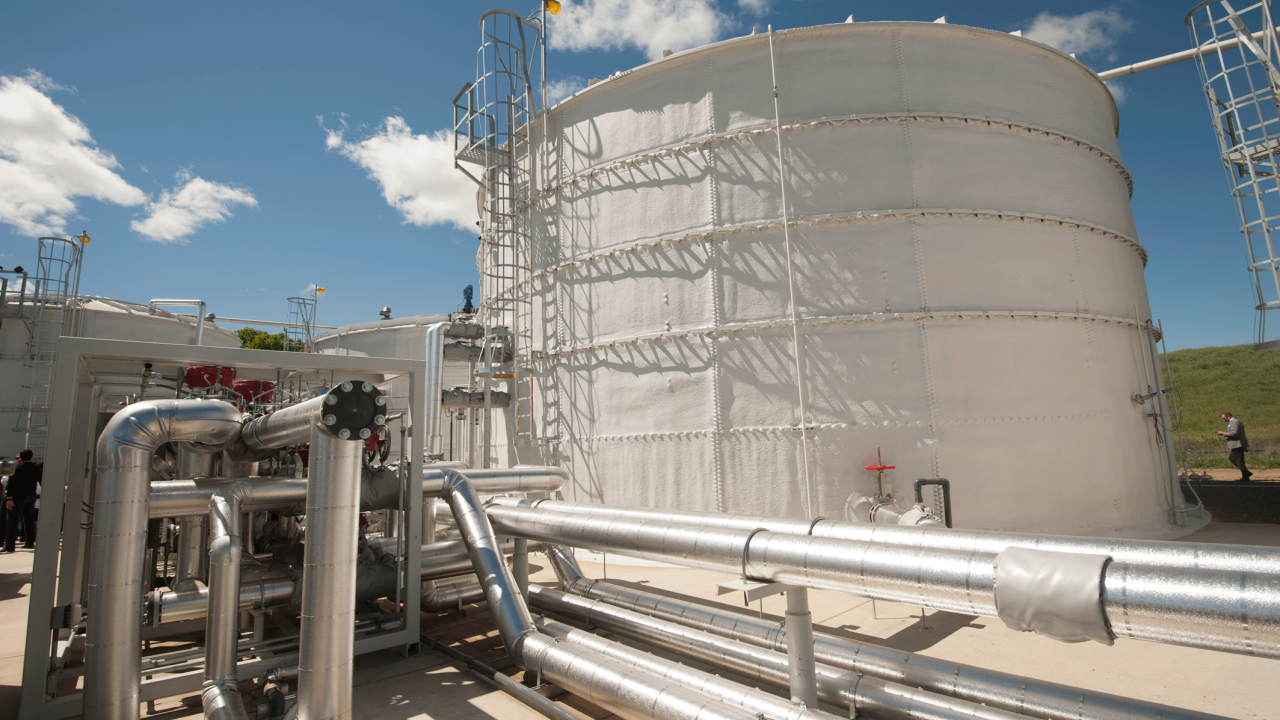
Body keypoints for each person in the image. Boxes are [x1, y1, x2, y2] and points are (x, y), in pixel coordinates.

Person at [5, 449, 40, 551]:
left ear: (20, 457)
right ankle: (29, 542)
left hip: (18, 497)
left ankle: (10, 546)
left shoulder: (17, 468)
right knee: (30, 519)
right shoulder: (36, 468)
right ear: (31, 457)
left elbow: (10, 484)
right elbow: (42, 480)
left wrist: (9, 498)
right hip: (31, 496)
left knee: (13, 520)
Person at [1217, 412, 1253, 482]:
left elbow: (1234, 433)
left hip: (1237, 445)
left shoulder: (1234, 422)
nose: (1224, 420)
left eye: (1224, 418)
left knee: (1233, 459)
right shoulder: (1236, 422)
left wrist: (1223, 433)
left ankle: (1246, 472)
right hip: (1239, 444)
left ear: (1229, 416)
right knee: (1240, 461)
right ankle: (1245, 476)